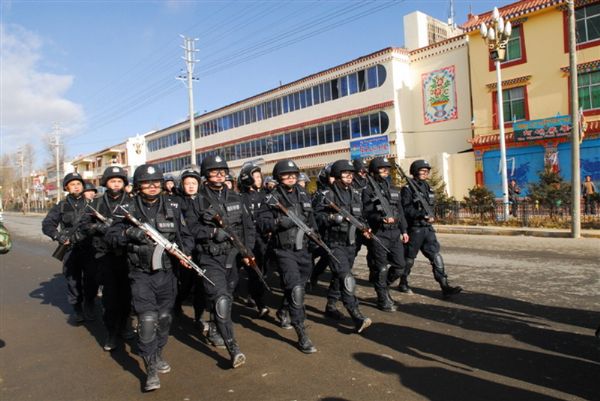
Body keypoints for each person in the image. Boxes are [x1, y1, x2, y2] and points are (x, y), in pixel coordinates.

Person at [105, 164, 194, 391]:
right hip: (140, 273)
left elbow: (185, 236)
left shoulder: (173, 206)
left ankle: (157, 352)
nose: (153, 186)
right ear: (138, 186)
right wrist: (128, 233)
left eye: (156, 183)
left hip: (167, 273)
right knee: (146, 320)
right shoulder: (127, 209)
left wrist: (186, 254)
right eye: (147, 183)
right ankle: (150, 368)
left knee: (164, 318)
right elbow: (111, 236)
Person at [194, 155, 255, 368]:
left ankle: (214, 324)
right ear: (206, 175)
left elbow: (247, 227)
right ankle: (233, 348)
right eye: (214, 171)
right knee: (220, 299)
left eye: (223, 171)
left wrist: (248, 252)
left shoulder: (235, 197)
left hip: (233, 257)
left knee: (226, 297)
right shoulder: (197, 199)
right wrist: (211, 232)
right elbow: (189, 230)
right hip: (209, 258)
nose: (220, 175)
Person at [257, 159, 318, 353]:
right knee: (295, 290)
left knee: (301, 286)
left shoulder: (303, 194)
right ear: (278, 177)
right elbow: (262, 223)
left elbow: (312, 219)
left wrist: (316, 236)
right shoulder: (271, 198)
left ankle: (284, 310)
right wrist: (277, 222)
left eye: (294, 174)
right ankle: (302, 334)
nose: (291, 177)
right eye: (286, 174)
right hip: (284, 250)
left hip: (304, 249)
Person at [314, 159, 372, 333]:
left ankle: (331, 305)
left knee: (339, 277)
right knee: (346, 277)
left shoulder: (355, 194)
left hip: (351, 244)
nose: (349, 176)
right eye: (345, 173)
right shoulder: (326, 195)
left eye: (351, 173)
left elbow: (360, 216)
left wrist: (365, 228)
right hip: (334, 243)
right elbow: (316, 218)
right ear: (337, 176)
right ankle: (356, 314)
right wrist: (332, 218)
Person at [80, 166, 133, 351]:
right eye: (112, 181)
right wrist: (100, 228)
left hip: (127, 256)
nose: (116, 184)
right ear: (106, 183)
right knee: (109, 299)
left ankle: (126, 324)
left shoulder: (133, 202)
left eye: (119, 181)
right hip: (105, 257)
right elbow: (85, 225)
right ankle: (111, 332)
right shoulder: (97, 204)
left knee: (127, 296)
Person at [401, 159, 462, 297]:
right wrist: (421, 214)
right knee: (409, 259)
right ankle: (403, 282)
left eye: (427, 171)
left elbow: (431, 205)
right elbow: (405, 209)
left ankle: (444, 286)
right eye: (422, 171)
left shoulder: (428, 187)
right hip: (415, 229)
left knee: (436, 257)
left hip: (428, 229)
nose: (425, 173)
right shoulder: (407, 188)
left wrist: (431, 215)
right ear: (415, 172)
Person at [42, 172, 96, 323]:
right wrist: (58, 236)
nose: (76, 186)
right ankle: (77, 307)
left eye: (78, 184)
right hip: (71, 249)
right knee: (73, 280)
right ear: (67, 187)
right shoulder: (61, 206)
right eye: (72, 184)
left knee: (92, 278)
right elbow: (47, 224)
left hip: (90, 248)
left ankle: (90, 303)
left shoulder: (93, 204)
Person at [362, 157, 408, 312]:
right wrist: (380, 218)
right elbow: (366, 212)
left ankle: (383, 287)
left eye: (387, 169)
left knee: (400, 266)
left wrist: (404, 230)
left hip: (395, 233)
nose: (386, 171)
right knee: (381, 267)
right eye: (382, 169)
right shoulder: (368, 189)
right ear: (374, 171)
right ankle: (382, 298)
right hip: (379, 232)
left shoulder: (393, 188)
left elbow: (400, 210)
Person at [174, 166, 208, 329]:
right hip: (185, 250)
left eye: (194, 183)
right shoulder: (176, 202)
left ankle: (198, 316)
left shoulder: (205, 199)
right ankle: (176, 304)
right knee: (185, 284)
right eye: (187, 183)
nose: (191, 186)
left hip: (202, 249)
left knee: (201, 285)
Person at [237, 162, 270, 318]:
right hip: (246, 240)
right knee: (253, 272)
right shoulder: (240, 198)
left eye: (259, 176)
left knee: (261, 271)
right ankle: (260, 303)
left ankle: (253, 294)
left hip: (262, 239)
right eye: (255, 176)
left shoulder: (266, 195)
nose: (259, 179)